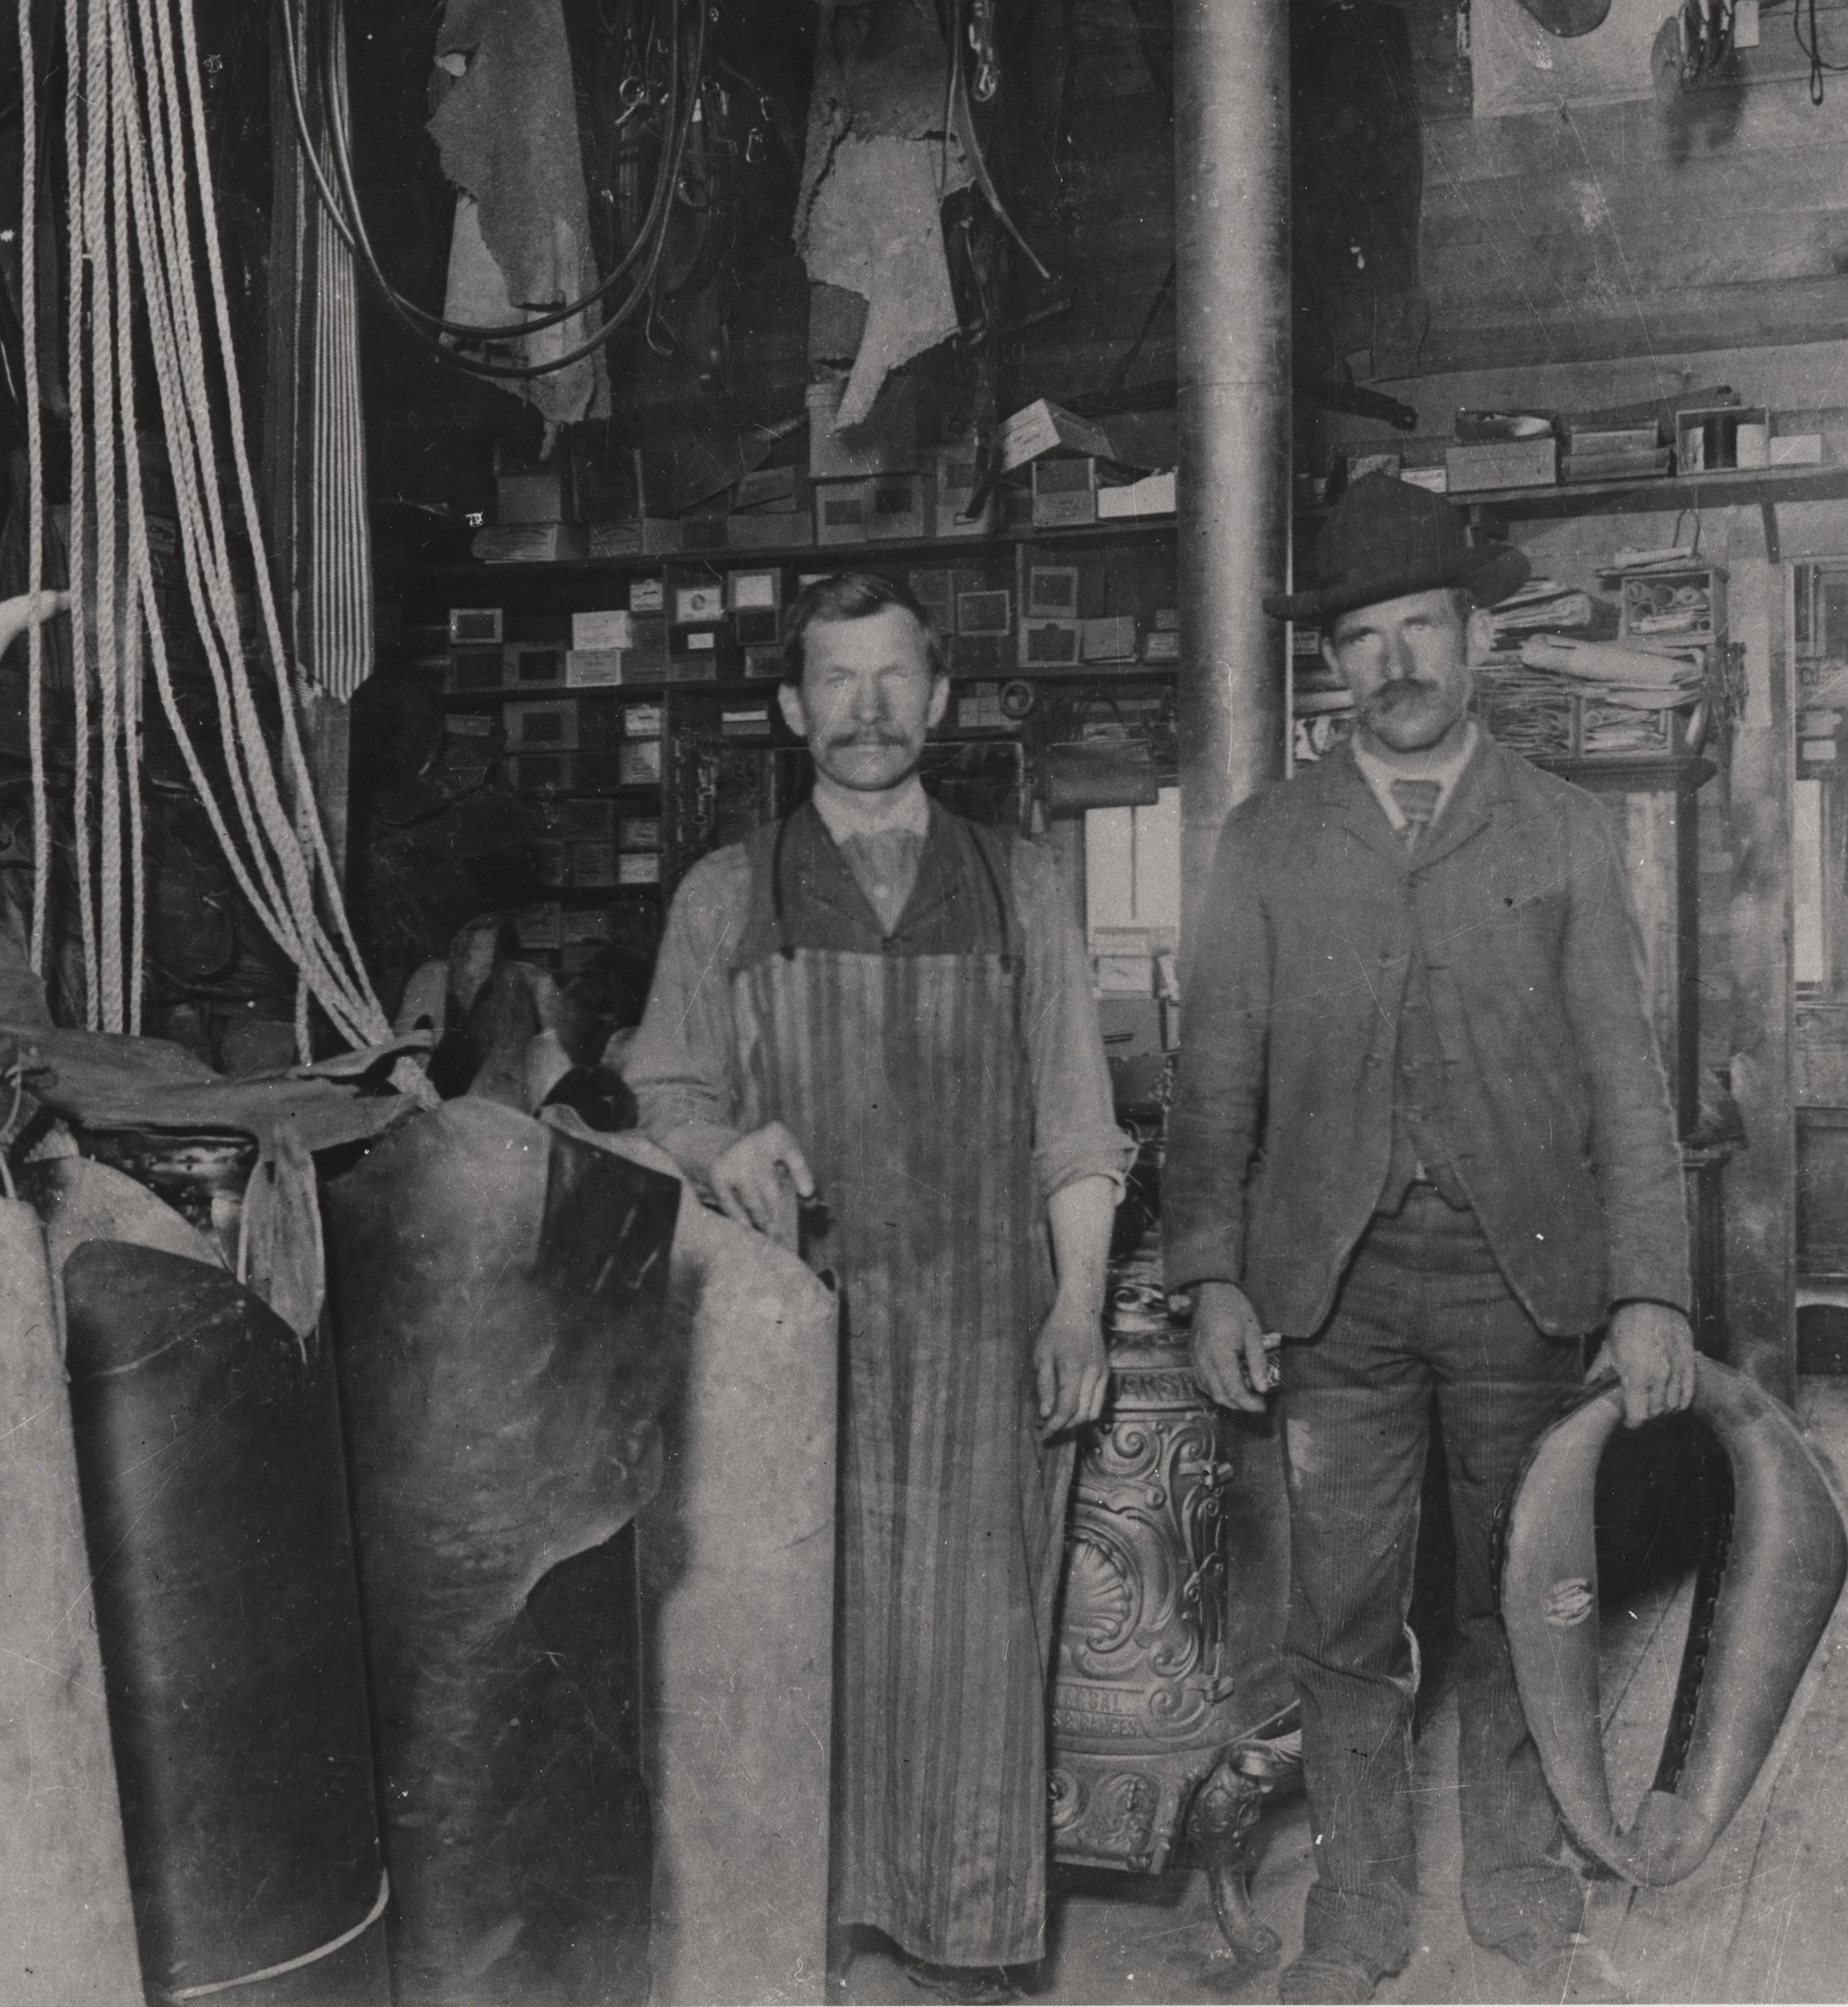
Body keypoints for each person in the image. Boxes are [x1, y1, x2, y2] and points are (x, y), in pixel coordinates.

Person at [1163, 475, 1697, 2006]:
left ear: (1474, 635)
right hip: (1327, 1292)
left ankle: (1525, 1911)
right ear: (1331, 664)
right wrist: (1210, 1272)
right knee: (1340, 1616)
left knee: (1528, 1599)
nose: (1390, 664)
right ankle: (1356, 1919)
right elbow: (1216, 1083)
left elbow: (1622, 1079)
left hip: (1517, 1277)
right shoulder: (1267, 841)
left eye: (1416, 629)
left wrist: (1647, 1286)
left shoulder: (1570, 832)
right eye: (1358, 639)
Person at [629, 570, 1125, 2003]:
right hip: (795, 1338)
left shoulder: (1019, 880)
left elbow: (1077, 1121)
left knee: (973, 1656)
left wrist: (1075, 1304)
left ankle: (963, 1952)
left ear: (940, 701)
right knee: (796, 1635)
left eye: (893, 678)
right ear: (790, 710)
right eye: (835, 682)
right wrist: (723, 1143)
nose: (866, 709)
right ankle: (807, 1940)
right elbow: (663, 1090)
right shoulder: (730, 891)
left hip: (981, 1331)